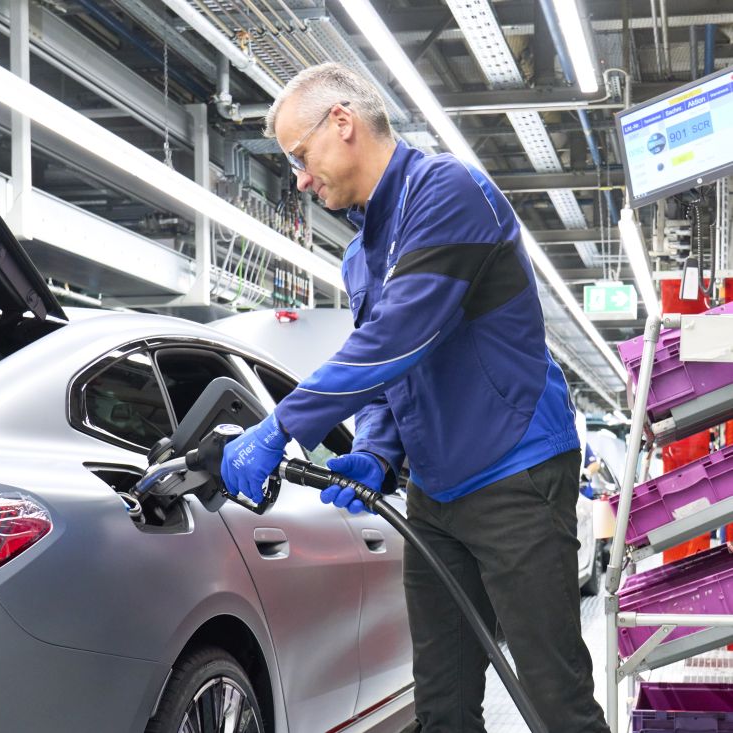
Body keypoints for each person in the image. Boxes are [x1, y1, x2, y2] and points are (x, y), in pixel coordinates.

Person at [219, 63, 611, 733]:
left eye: (300, 156)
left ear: (342, 123)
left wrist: (280, 426)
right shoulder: (360, 257)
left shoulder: (449, 192)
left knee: (554, 699)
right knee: (441, 703)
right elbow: (389, 375)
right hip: (435, 494)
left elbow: (398, 339)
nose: (301, 179)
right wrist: (377, 452)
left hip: (515, 472)